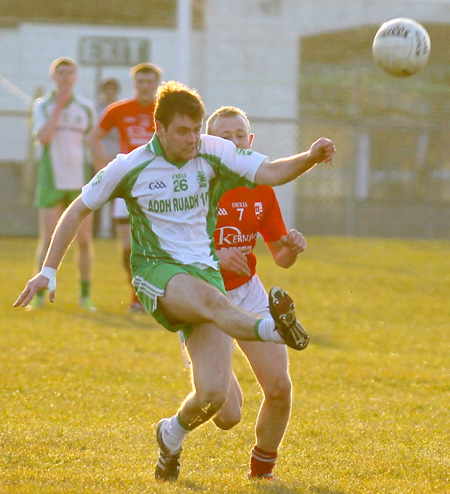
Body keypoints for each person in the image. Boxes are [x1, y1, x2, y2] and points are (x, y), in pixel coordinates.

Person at [14, 81, 335, 482]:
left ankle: (171, 433)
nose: (192, 139)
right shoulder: (129, 166)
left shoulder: (209, 149)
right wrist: (48, 269)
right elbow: (77, 209)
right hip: (157, 273)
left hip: (204, 274)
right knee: (214, 304)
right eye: (183, 131)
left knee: (219, 404)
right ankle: (276, 327)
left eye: (196, 130)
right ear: (159, 128)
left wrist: (310, 156)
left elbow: (270, 171)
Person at [202, 106, 307, 479]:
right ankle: (212, 371)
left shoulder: (260, 186)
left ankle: (262, 472)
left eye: (239, 134)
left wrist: (289, 249)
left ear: (251, 141)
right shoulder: (195, 184)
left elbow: (279, 256)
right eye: (223, 136)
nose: (232, 141)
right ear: (209, 143)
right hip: (202, 300)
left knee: (279, 388)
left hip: (249, 294)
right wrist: (215, 255)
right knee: (228, 416)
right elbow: (169, 251)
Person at [88, 63, 162, 312]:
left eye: (150, 81)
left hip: (159, 186)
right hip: (127, 185)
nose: (145, 86)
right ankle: (136, 294)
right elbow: (93, 138)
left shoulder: (166, 109)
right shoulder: (118, 110)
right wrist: (108, 165)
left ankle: (158, 295)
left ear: (157, 84)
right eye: (141, 81)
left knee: (155, 245)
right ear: (134, 84)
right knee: (128, 248)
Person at [30, 56, 97, 311]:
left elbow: (91, 140)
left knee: (84, 239)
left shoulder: (85, 107)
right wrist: (58, 107)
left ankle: (85, 296)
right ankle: (37, 296)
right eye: (61, 73)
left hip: (79, 181)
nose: (66, 77)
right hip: (51, 179)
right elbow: (44, 137)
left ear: (76, 77)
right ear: (53, 77)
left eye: (70, 73)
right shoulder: (43, 105)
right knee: (48, 238)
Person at [94, 78, 121, 238]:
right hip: (100, 158)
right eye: (107, 89)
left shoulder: (120, 108)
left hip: (117, 157)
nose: (109, 92)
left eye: (112, 89)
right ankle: (94, 231)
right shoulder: (96, 108)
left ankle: (114, 232)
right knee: (96, 196)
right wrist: (99, 158)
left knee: (116, 199)